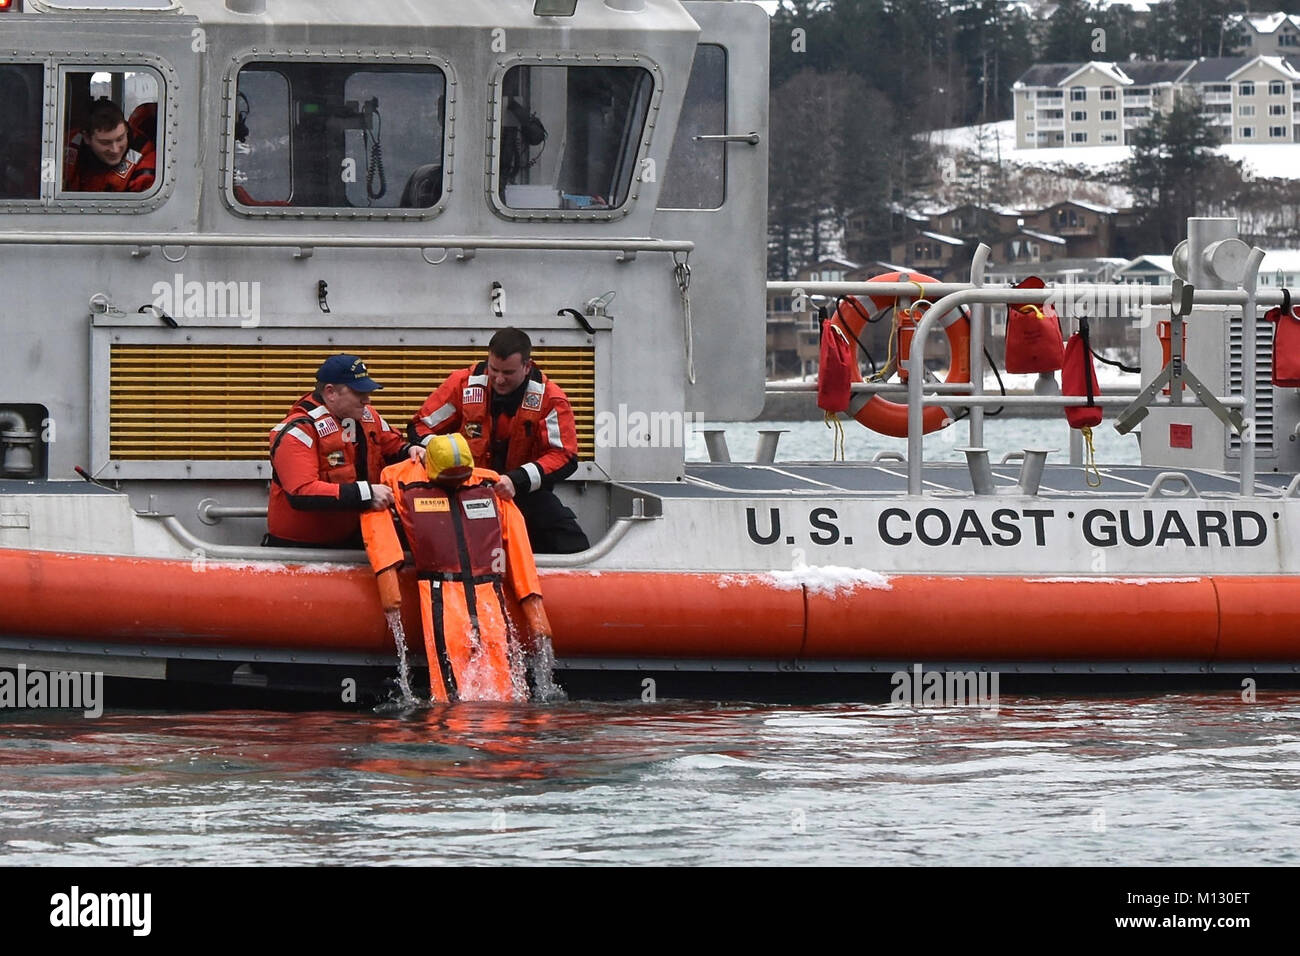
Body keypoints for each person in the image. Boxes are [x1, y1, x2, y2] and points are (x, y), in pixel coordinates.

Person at [361, 433, 557, 703]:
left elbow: (517, 541)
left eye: (460, 477)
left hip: (489, 591)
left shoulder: (490, 483)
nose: (455, 483)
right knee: (451, 691)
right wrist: (388, 581)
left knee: (504, 689)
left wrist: (533, 604)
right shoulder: (400, 480)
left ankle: (498, 738)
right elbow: (375, 517)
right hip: (439, 591)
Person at [409, 327, 590, 553]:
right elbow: (420, 427)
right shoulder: (463, 384)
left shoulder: (550, 399)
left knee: (570, 540)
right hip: (462, 491)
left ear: (527, 366)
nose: (499, 379)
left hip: (522, 495)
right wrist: (440, 453)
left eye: (508, 372)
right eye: (494, 369)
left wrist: (518, 480)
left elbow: (564, 456)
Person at [266, 354, 425, 548]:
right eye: (359, 393)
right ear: (331, 392)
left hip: (354, 536)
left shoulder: (365, 416)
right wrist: (365, 495)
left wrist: (411, 450)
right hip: (305, 549)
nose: (367, 400)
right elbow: (302, 492)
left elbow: (391, 446)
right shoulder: (298, 431)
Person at [63, 98, 156, 193]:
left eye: (120, 138)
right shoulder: (64, 144)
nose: (115, 149)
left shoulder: (145, 152)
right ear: (87, 138)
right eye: (105, 143)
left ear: (126, 129)